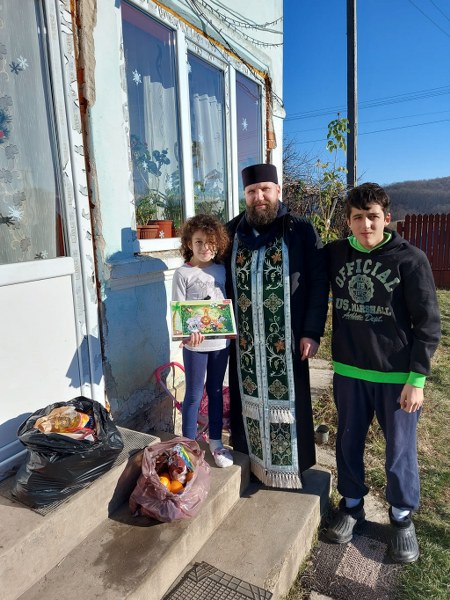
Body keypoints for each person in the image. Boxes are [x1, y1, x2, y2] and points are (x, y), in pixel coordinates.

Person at [325, 182, 441, 563]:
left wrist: (417, 379)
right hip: (350, 371)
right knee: (348, 441)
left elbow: (428, 324)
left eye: (373, 217)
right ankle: (351, 505)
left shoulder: (411, 260)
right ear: (348, 221)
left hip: (395, 377)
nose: (366, 225)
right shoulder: (336, 255)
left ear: (387, 218)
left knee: (399, 451)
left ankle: (401, 517)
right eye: (358, 218)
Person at [225, 163, 329, 488]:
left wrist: (312, 331)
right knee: (246, 405)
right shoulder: (230, 233)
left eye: (265, 190)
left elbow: (318, 283)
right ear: (245, 195)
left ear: (278, 191)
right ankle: (252, 466)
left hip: (289, 339)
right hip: (244, 345)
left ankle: (289, 470)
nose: (259, 197)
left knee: (290, 405)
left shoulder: (300, 230)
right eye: (251, 192)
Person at [172, 214, 233, 468]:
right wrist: (187, 334)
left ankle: (216, 442)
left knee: (216, 391)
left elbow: (227, 304)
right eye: (198, 242)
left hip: (220, 344)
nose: (205, 247)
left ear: (218, 243)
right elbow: (177, 311)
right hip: (195, 346)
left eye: (210, 242)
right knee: (194, 393)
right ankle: (187, 446)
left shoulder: (222, 269)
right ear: (189, 243)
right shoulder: (182, 273)